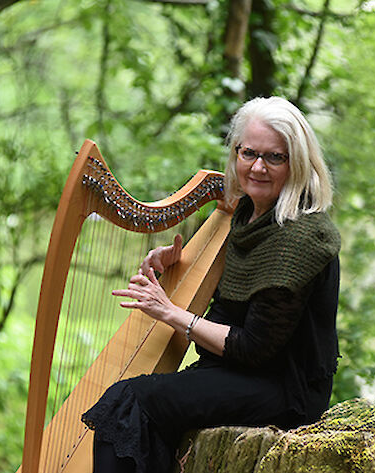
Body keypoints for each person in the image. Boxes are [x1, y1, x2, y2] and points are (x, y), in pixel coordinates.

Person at [82, 96, 341, 473]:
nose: (257, 167)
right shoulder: (250, 214)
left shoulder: (301, 237)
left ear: (297, 163)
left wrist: (171, 313)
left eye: (274, 157)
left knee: (129, 401)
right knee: (139, 405)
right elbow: (241, 282)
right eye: (248, 152)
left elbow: (254, 347)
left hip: (284, 389)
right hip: (237, 374)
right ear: (235, 152)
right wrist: (176, 263)